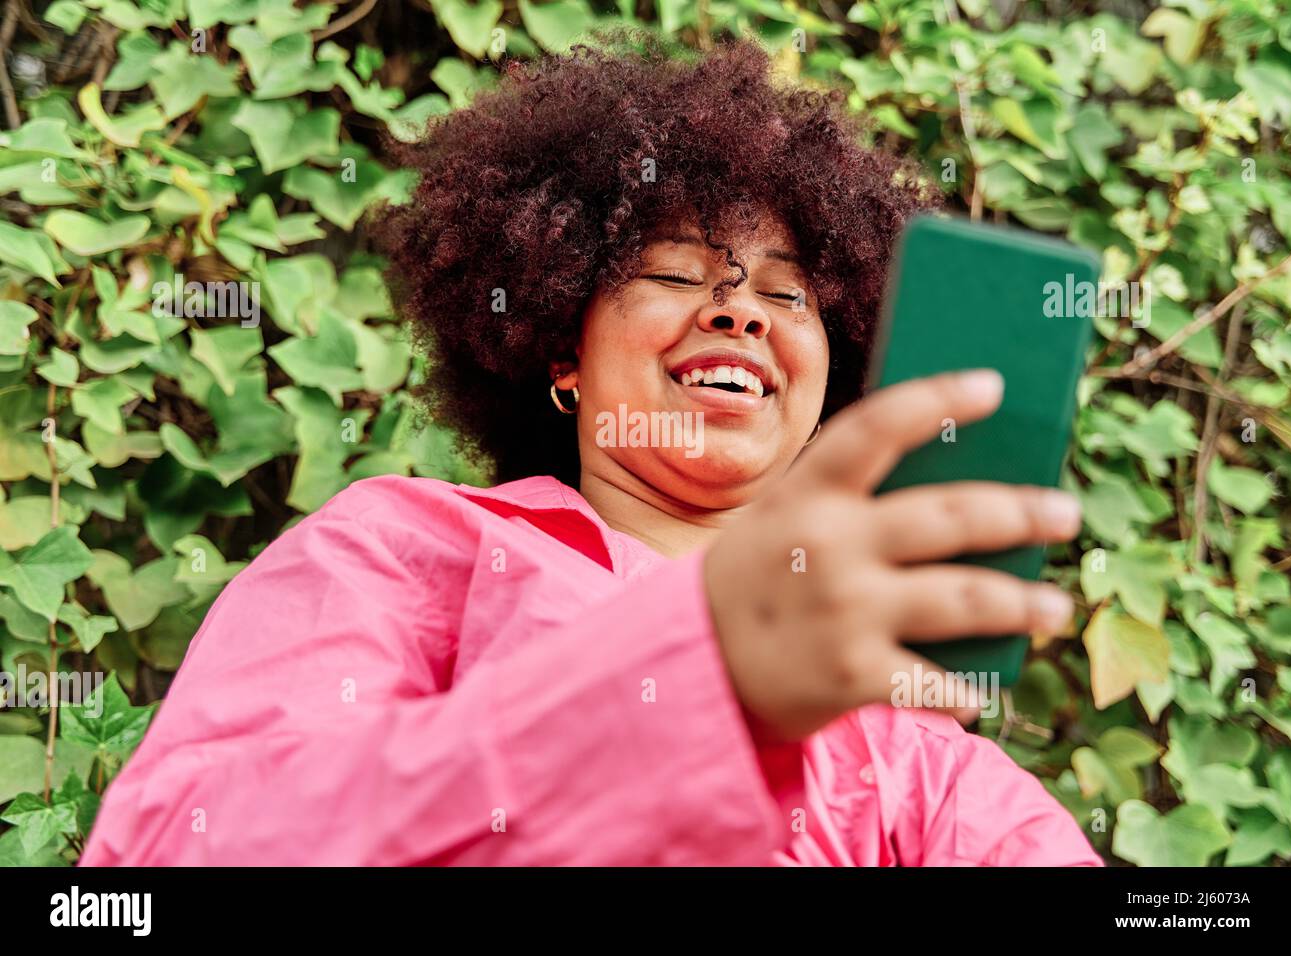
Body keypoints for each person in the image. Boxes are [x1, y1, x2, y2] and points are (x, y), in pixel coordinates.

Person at [79, 36, 1102, 867]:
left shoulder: (917, 758)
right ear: (565, 349)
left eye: (786, 292)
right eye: (675, 272)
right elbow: (175, 851)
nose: (739, 312)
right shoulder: (398, 554)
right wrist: (705, 669)